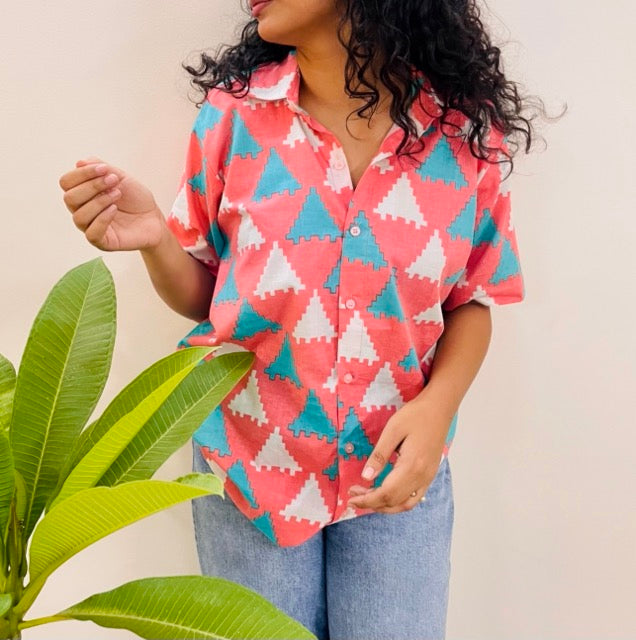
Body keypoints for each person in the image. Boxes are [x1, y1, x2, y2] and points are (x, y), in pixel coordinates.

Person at [59, 0, 545, 637]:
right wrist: (156, 240)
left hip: (395, 471)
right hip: (253, 470)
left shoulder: (464, 138)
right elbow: (210, 295)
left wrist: (435, 412)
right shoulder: (233, 118)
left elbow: (473, 302)